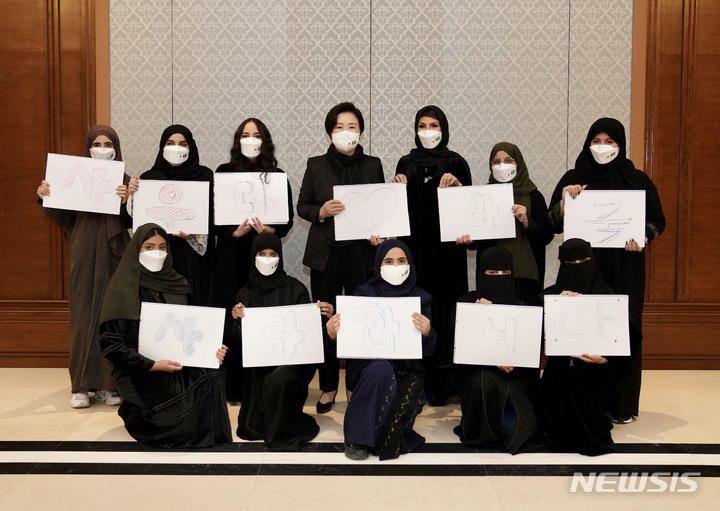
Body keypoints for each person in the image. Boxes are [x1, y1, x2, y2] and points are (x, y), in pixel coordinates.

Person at [547, 118, 665, 423]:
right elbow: (553, 222)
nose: (603, 147)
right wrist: (564, 202)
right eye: (597, 141)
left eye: (610, 142)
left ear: (620, 145)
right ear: (588, 143)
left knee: (622, 328)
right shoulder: (573, 178)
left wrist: (644, 237)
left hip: (625, 265)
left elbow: (657, 221)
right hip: (583, 268)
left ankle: (621, 405)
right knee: (584, 325)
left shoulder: (636, 179)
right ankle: (583, 401)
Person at [99, 223, 232, 448]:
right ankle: (135, 412)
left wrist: (211, 351)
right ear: (136, 250)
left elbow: (189, 332)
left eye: (162, 247)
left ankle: (207, 436)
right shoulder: (122, 288)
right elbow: (111, 346)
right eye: (149, 247)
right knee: (182, 416)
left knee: (211, 375)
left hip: (175, 363)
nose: (157, 253)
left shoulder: (176, 284)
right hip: (138, 370)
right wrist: (152, 365)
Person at [36, 125, 138, 409]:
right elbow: (61, 214)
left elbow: (135, 223)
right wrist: (46, 194)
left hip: (115, 256)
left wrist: (127, 200)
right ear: (88, 146)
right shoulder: (72, 176)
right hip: (84, 254)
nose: (102, 148)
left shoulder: (125, 180)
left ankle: (110, 384)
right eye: (97, 143)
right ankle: (81, 385)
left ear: (116, 147)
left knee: (112, 317)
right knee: (82, 317)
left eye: (108, 143)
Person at [297, 102, 384, 414]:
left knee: (360, 319)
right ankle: (329, 385)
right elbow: (302, 205)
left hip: (362, 254)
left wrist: (379, 232)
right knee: (327, 318)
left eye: (352, 127)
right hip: (327, 255)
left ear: (360, 132)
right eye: (339, 127)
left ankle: (357, 383)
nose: (346, 133)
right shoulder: (316, 164)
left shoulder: (373, 165)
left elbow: (379, 208)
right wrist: (320, 211)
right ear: (329, 132)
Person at [326, 239, 436, 461]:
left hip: (407, 369)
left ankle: (375, 433)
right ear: (378, 264)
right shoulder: (364, 294)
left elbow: (429, 351)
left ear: (410, 263)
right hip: (369, 367)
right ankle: (356, 438)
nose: (395, 266)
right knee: (380, 369)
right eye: (389, 261)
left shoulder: (421, 298)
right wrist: (332, 334)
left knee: (408, 391)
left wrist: (427, 333)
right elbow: (346, 343)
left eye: (401, 260)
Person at [393, 105, 471, 406]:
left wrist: (459, 187)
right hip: (414, 254)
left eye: (434, 125)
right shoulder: (405, 161)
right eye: (422, 125)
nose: (428, 131)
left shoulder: (457, 162)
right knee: (415, 314)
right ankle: (416, 381)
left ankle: (445, 383)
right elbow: (395, 210)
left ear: (444, 129)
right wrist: (395, 187)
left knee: (445, 315)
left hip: (448, 257)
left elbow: (469, 211)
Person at [213, 118, 294, 403]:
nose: (250, 139)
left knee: (262, 315)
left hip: (263, 257)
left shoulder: (277, 176)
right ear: (237, 140)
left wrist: (269, 230)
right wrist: (235, 232)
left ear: (265, 141)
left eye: (256, 135)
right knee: (233, 317)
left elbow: (286, 223)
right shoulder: (222, 173)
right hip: (230, 257)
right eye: (245, 135)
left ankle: (263, 384)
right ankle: (233, 387)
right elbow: (212, 221)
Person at [230, 233, 334, 449]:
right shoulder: (244, 292)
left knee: (281, 377)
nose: (267, 259)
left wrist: (322, 317)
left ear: (280, 257)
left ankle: (283, 431)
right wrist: (237, 321)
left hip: (291, 365)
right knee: (251, 427)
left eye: (273, 254)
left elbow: (308, 336)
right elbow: (239, 344)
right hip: (258, 366)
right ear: (253, 256)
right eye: (262, 254)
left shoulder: (296, 288)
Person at [537, 238, 633, 456]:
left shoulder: (608, 297)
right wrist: (555, 306)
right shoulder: (549, 296)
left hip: (596, 368)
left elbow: (627, 341)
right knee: (550, 396)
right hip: (560, 366)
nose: (579, 266)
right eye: (572, 263)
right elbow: (537, 339)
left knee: (583, 388)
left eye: (584, 260)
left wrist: (605, 359)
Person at [449, 247, 539, 454]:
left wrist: (514, 361)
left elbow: (530, 357)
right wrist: (475, 318)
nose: (499, 278)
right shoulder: (466, 302)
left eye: (505, 274)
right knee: (485, 380)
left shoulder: (524, 307)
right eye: (492, 274)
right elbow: (454, 353)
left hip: (513, 378)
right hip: (477, 375)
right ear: (482, 275)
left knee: (511, 429)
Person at [467, 142, 553, 306]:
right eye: (496, 162)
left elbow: (547, 236)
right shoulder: (482, 195)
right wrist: (469, 241)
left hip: (526, 279)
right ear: (490, 166)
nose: (502, 166)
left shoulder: (534, 196)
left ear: (518, 163)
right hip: (491, 276)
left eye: (508, 160)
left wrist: (527, 222)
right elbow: (477, 241)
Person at [138, 124, 214, 306]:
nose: (176, 148)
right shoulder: (149, 178)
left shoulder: (204, 175)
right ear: (162, 147)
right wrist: (132, 196)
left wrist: (197, 234)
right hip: (160, 253)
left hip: (193, 257)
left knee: (194, 302)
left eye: (183, 143)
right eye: (170, 143)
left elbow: (215, 217)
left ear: (191, 148)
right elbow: (138, 223)